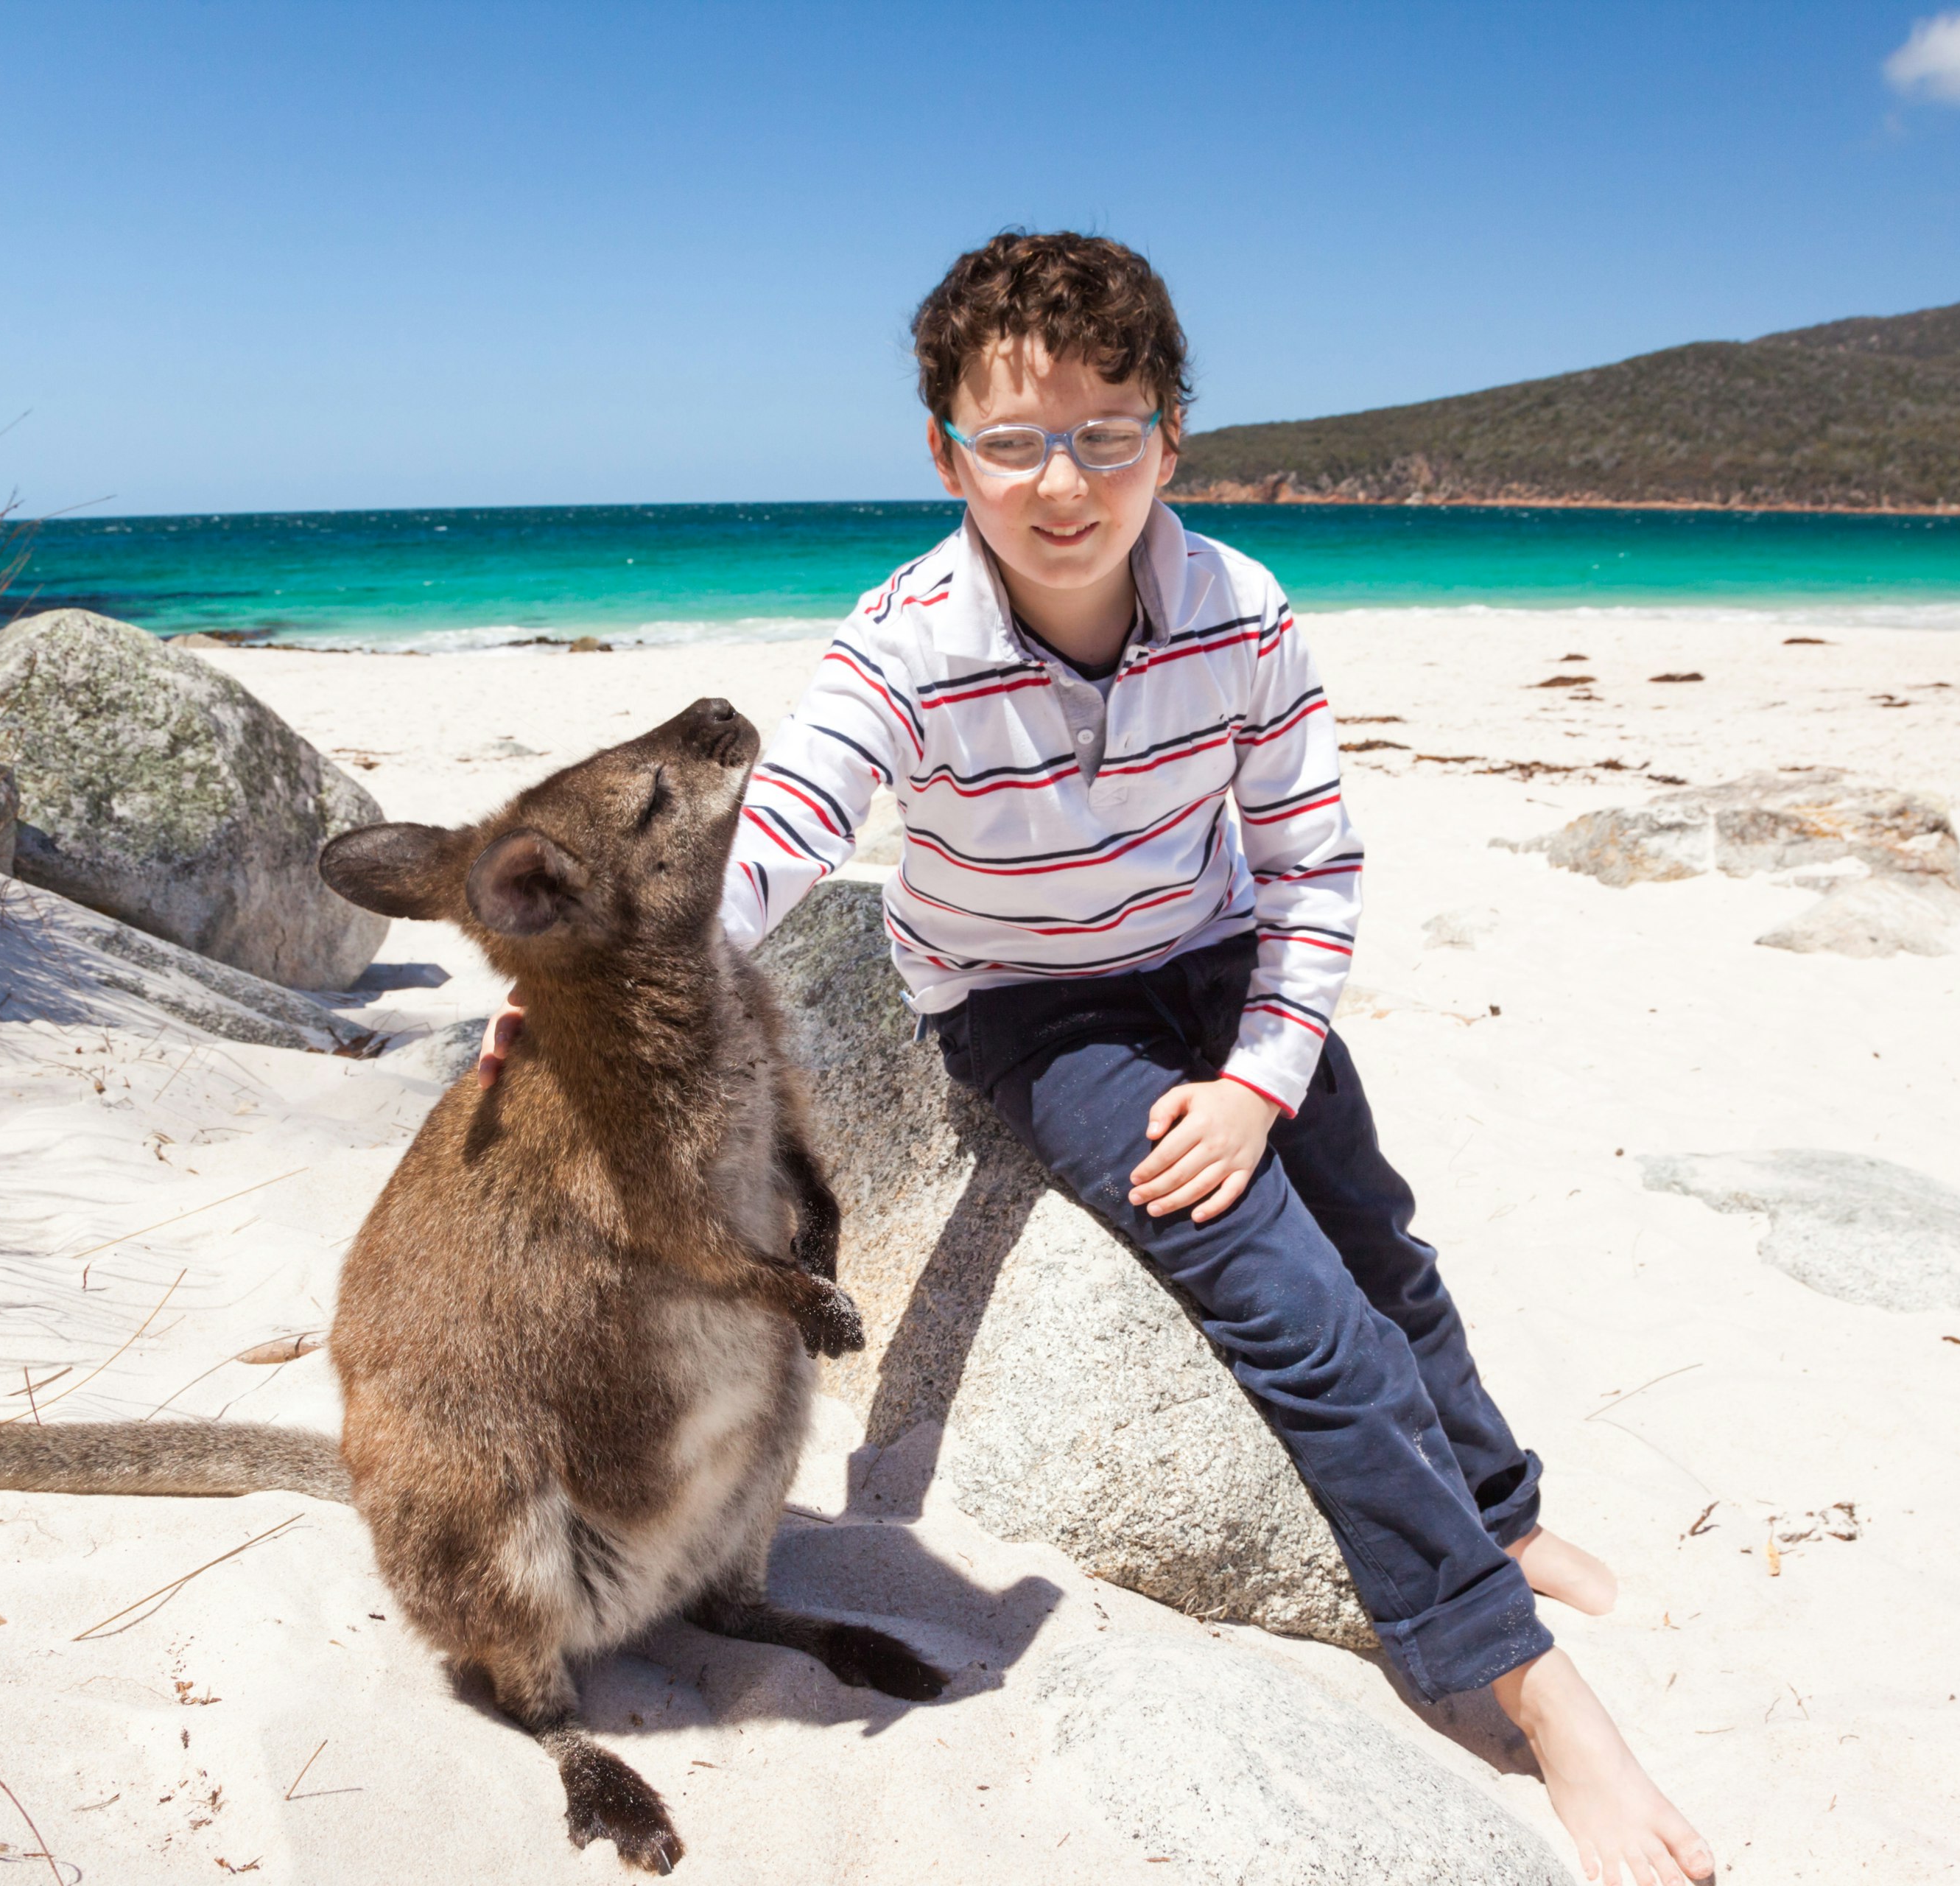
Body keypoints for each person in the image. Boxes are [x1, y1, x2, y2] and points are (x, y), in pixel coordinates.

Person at [480, 231, 1715, 1886]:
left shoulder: (1241, 614)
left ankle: (1495, 1497)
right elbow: (780, 826)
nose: (1062, 483)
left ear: (1170, 435)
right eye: (1012, 442)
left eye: (1106, 434)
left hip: (1210, 957)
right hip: (1028, 1001)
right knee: (1297, 1304)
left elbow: (1314, 867)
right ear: (946, 453)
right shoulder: (902, 644)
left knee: (1378, 1225)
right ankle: (1539, 1699)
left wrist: (1265, 1073)